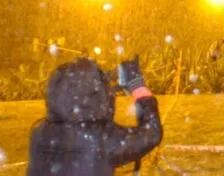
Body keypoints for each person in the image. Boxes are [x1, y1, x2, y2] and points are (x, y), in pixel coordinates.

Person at [28, 56, 162, 176]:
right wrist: (137, 87)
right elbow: (152, 132)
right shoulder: (102, 138)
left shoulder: (39, 133)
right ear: (96, 94)